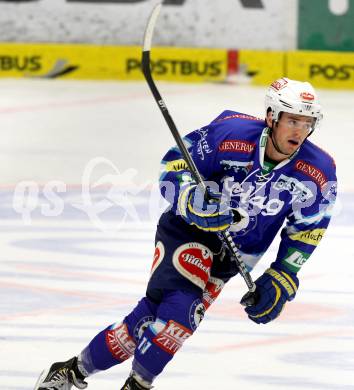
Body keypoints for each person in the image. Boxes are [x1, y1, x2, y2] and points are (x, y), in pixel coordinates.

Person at [34, 77, 337, 390]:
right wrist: (192, 199)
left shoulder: (319, 171)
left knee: (150, 318)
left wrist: (283, 274)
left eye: (307, 122)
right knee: (181, 315)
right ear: (272, 116)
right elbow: (173, 165)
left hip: (233, 257)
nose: (300, 131)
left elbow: (309, 228)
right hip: (187, 231)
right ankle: (138, 385)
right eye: (293, 121)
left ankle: (71, 371)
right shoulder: (230, 134)